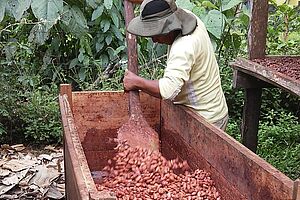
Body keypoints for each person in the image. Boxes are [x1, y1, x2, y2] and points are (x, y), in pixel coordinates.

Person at [123, 0, 229, 130]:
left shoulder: (184, 47)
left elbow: (169, 90)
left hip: (206, 120)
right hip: (209, 110)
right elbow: (160, 4)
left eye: (156, 33)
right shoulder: (186, 16)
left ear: (170, 28)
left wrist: (136, 82)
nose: (154, 40)